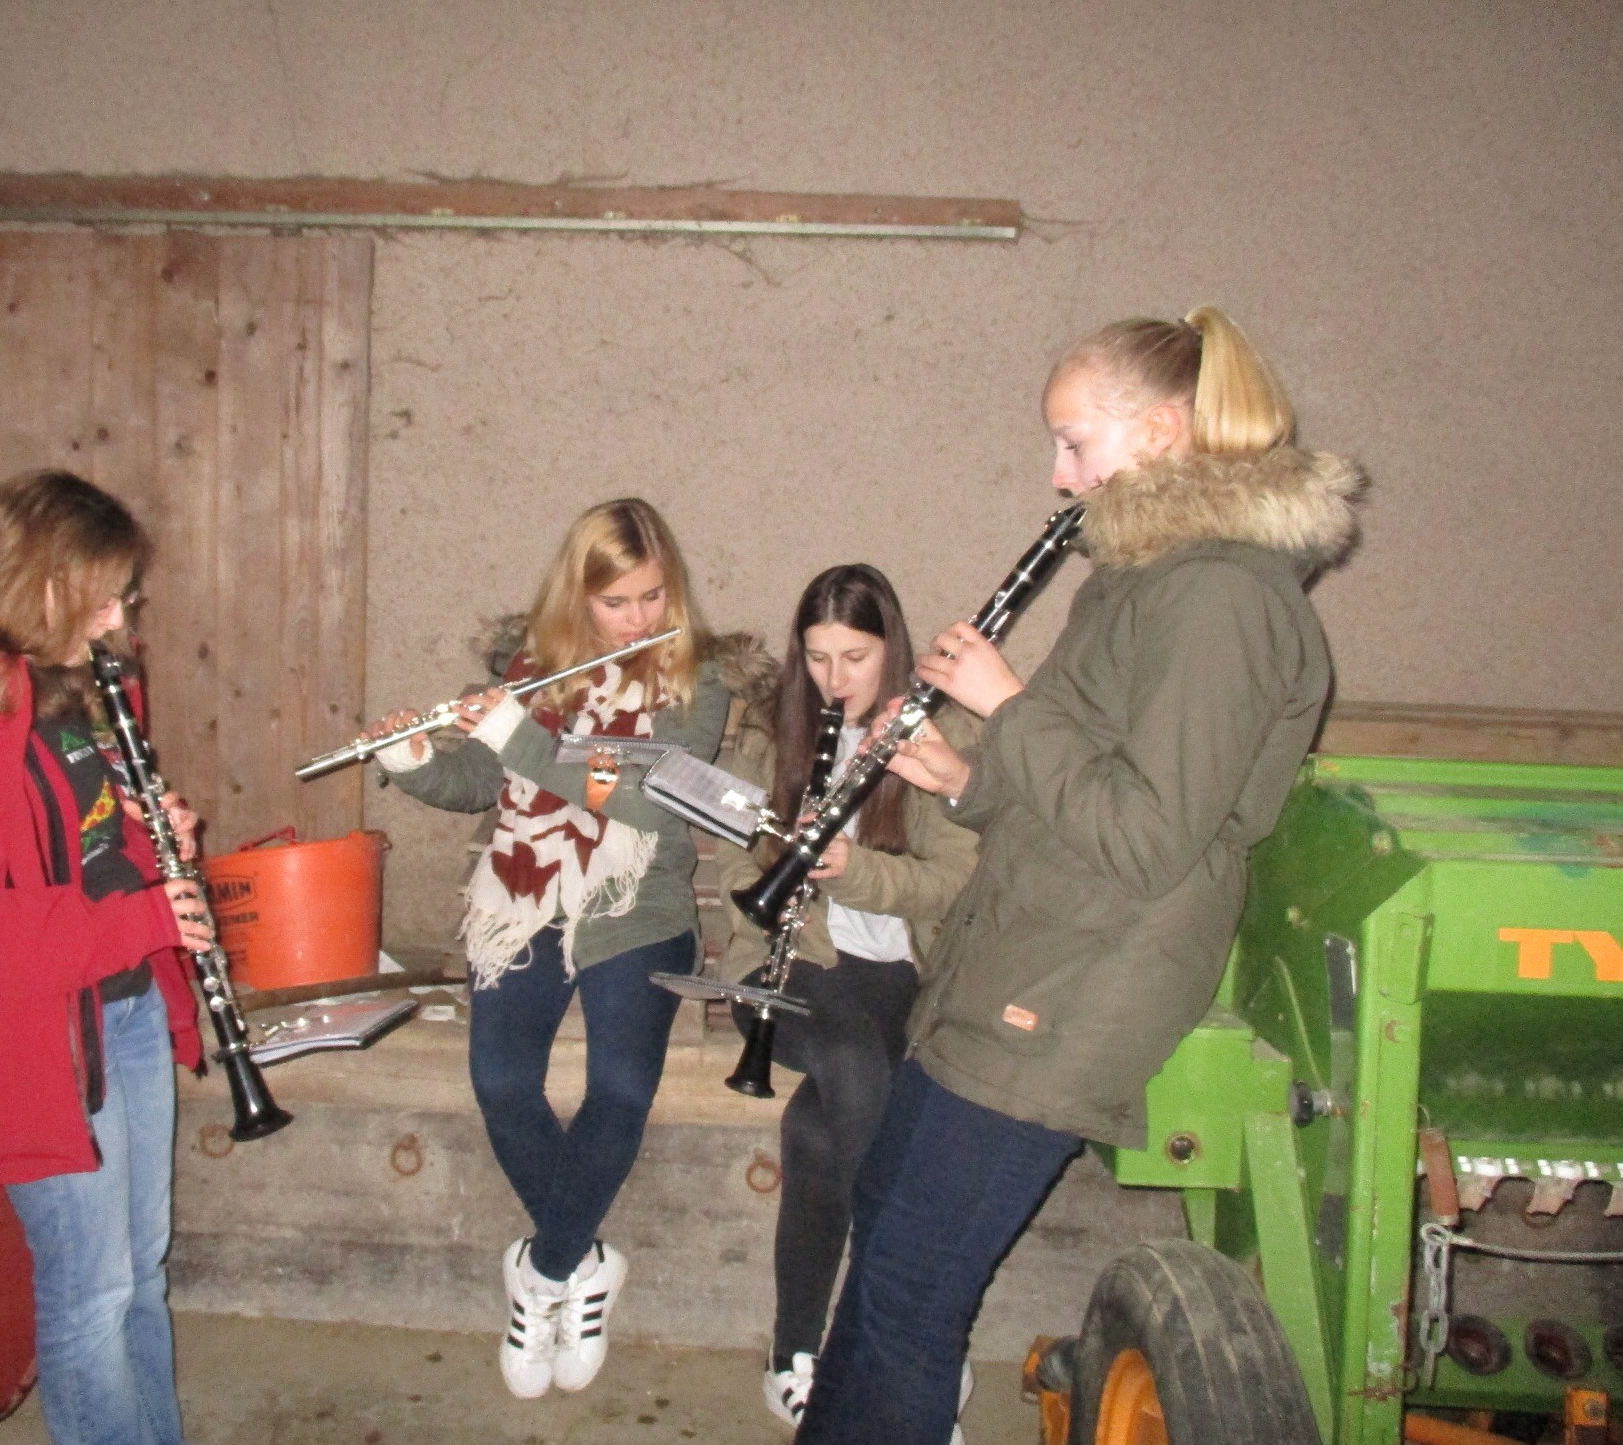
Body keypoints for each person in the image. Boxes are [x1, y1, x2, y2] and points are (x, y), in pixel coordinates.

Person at [796, 309, 1363, 1444]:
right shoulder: (1146, 579)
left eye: (1073, 443)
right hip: (1017, 955)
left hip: (1079, 984)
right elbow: (1082, 792)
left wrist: (1006, 704)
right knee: (883, 1231)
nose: (1058, 475)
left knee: (910, 1298)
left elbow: (1150, 836)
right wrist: (964, 774)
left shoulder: (1223, 598)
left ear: (1158, 433)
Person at [0, 470, 213, 1445]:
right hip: (36, 1042)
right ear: (36, 584)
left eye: (123, 597)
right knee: (90, 1294)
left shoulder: (86, 685)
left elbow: (90, 848)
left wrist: (156, 837)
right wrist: (141, 919)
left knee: (140, 1273)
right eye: (101, 596)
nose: (118, 619)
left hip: (126, 1008)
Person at [366, 498, 730, 1400]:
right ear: (578, 597)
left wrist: (524, 740)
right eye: (616, 603)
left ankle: (542, 1272)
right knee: (500, 1081)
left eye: (654, 597)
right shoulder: (533, 671)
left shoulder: (698, 685)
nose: (639, 620)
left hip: (635, 906)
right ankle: (583, 1263)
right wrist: (414, 760)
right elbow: (480, 783)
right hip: (525, 901)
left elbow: (643, 799)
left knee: (621, 1088)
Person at [714, 565, 978, 1431]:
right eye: (818, 657)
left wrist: (855, 870)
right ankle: (913, 1341)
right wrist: (775, 860)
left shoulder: (938, 733)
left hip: (901, 976)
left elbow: (957, 884)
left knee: (818, 1131)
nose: (835, 679)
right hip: (788, 965)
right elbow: (733, 866)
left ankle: (800, 1349)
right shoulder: (772, 731)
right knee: (853, 1062)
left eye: (855, 658)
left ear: (890, 649)